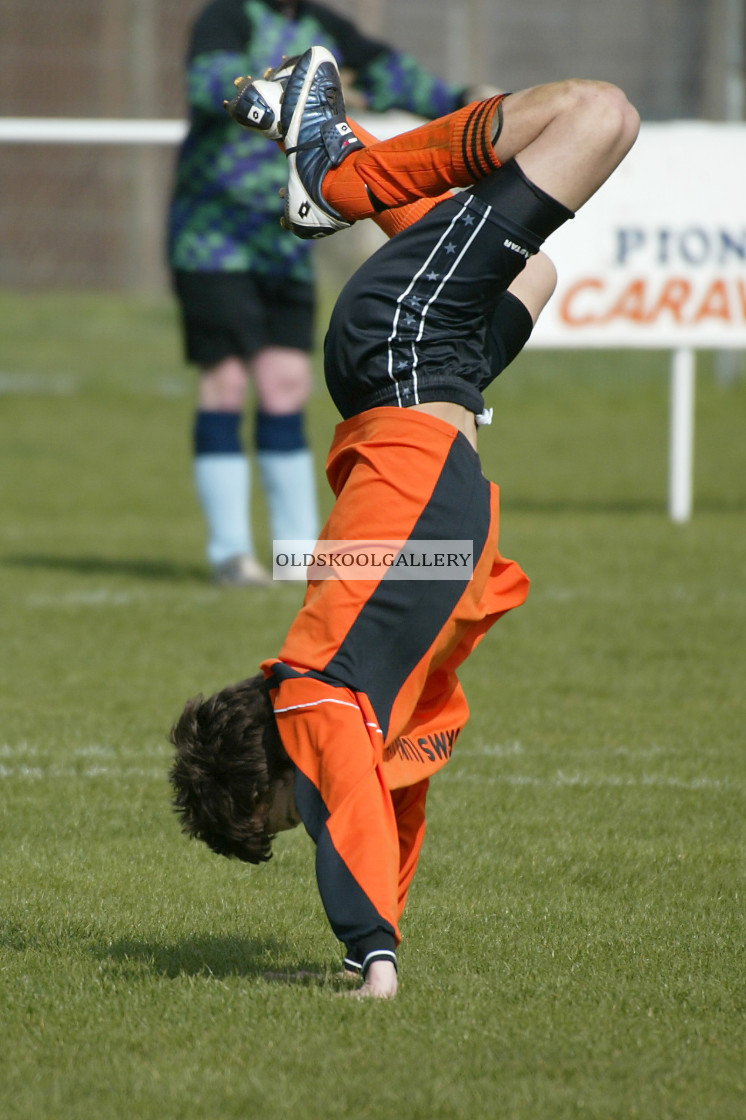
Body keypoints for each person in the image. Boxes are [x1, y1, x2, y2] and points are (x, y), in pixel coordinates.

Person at [170, 47, 640, 996]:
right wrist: (390, 934)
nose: (296, 820)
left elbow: (341, 798)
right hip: (439, 374)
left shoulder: (314, 693)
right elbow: (390, 809)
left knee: (597, 115)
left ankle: (336, 172)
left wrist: (366, 951)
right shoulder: (372, 712)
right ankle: (333, 152)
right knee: (535, 275)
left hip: (403, 353)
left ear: (257, 775)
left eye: (272, 816)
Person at [167, 0, 491, 587]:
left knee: (286, 384)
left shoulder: (322, 27)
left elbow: (390, 74)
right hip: (212, 238)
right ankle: (230, 555)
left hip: (285, 238)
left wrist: (465, 100)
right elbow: (210, 83)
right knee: (227, 382)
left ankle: (296, 559)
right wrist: (298, 89)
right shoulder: (229, 18)